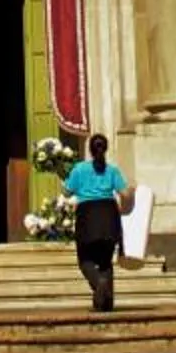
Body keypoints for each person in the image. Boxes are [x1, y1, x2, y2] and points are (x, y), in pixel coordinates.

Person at [62, 131, 130, 312]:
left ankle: (99, 283)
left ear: (90, 150)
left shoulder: (79, 169)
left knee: (85, 259)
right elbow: (126, 194)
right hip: (108, 215)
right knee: (105, 261)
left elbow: (67, 192)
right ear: (105, 149)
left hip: (88, 216)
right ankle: (106, 304)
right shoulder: (112, 170)